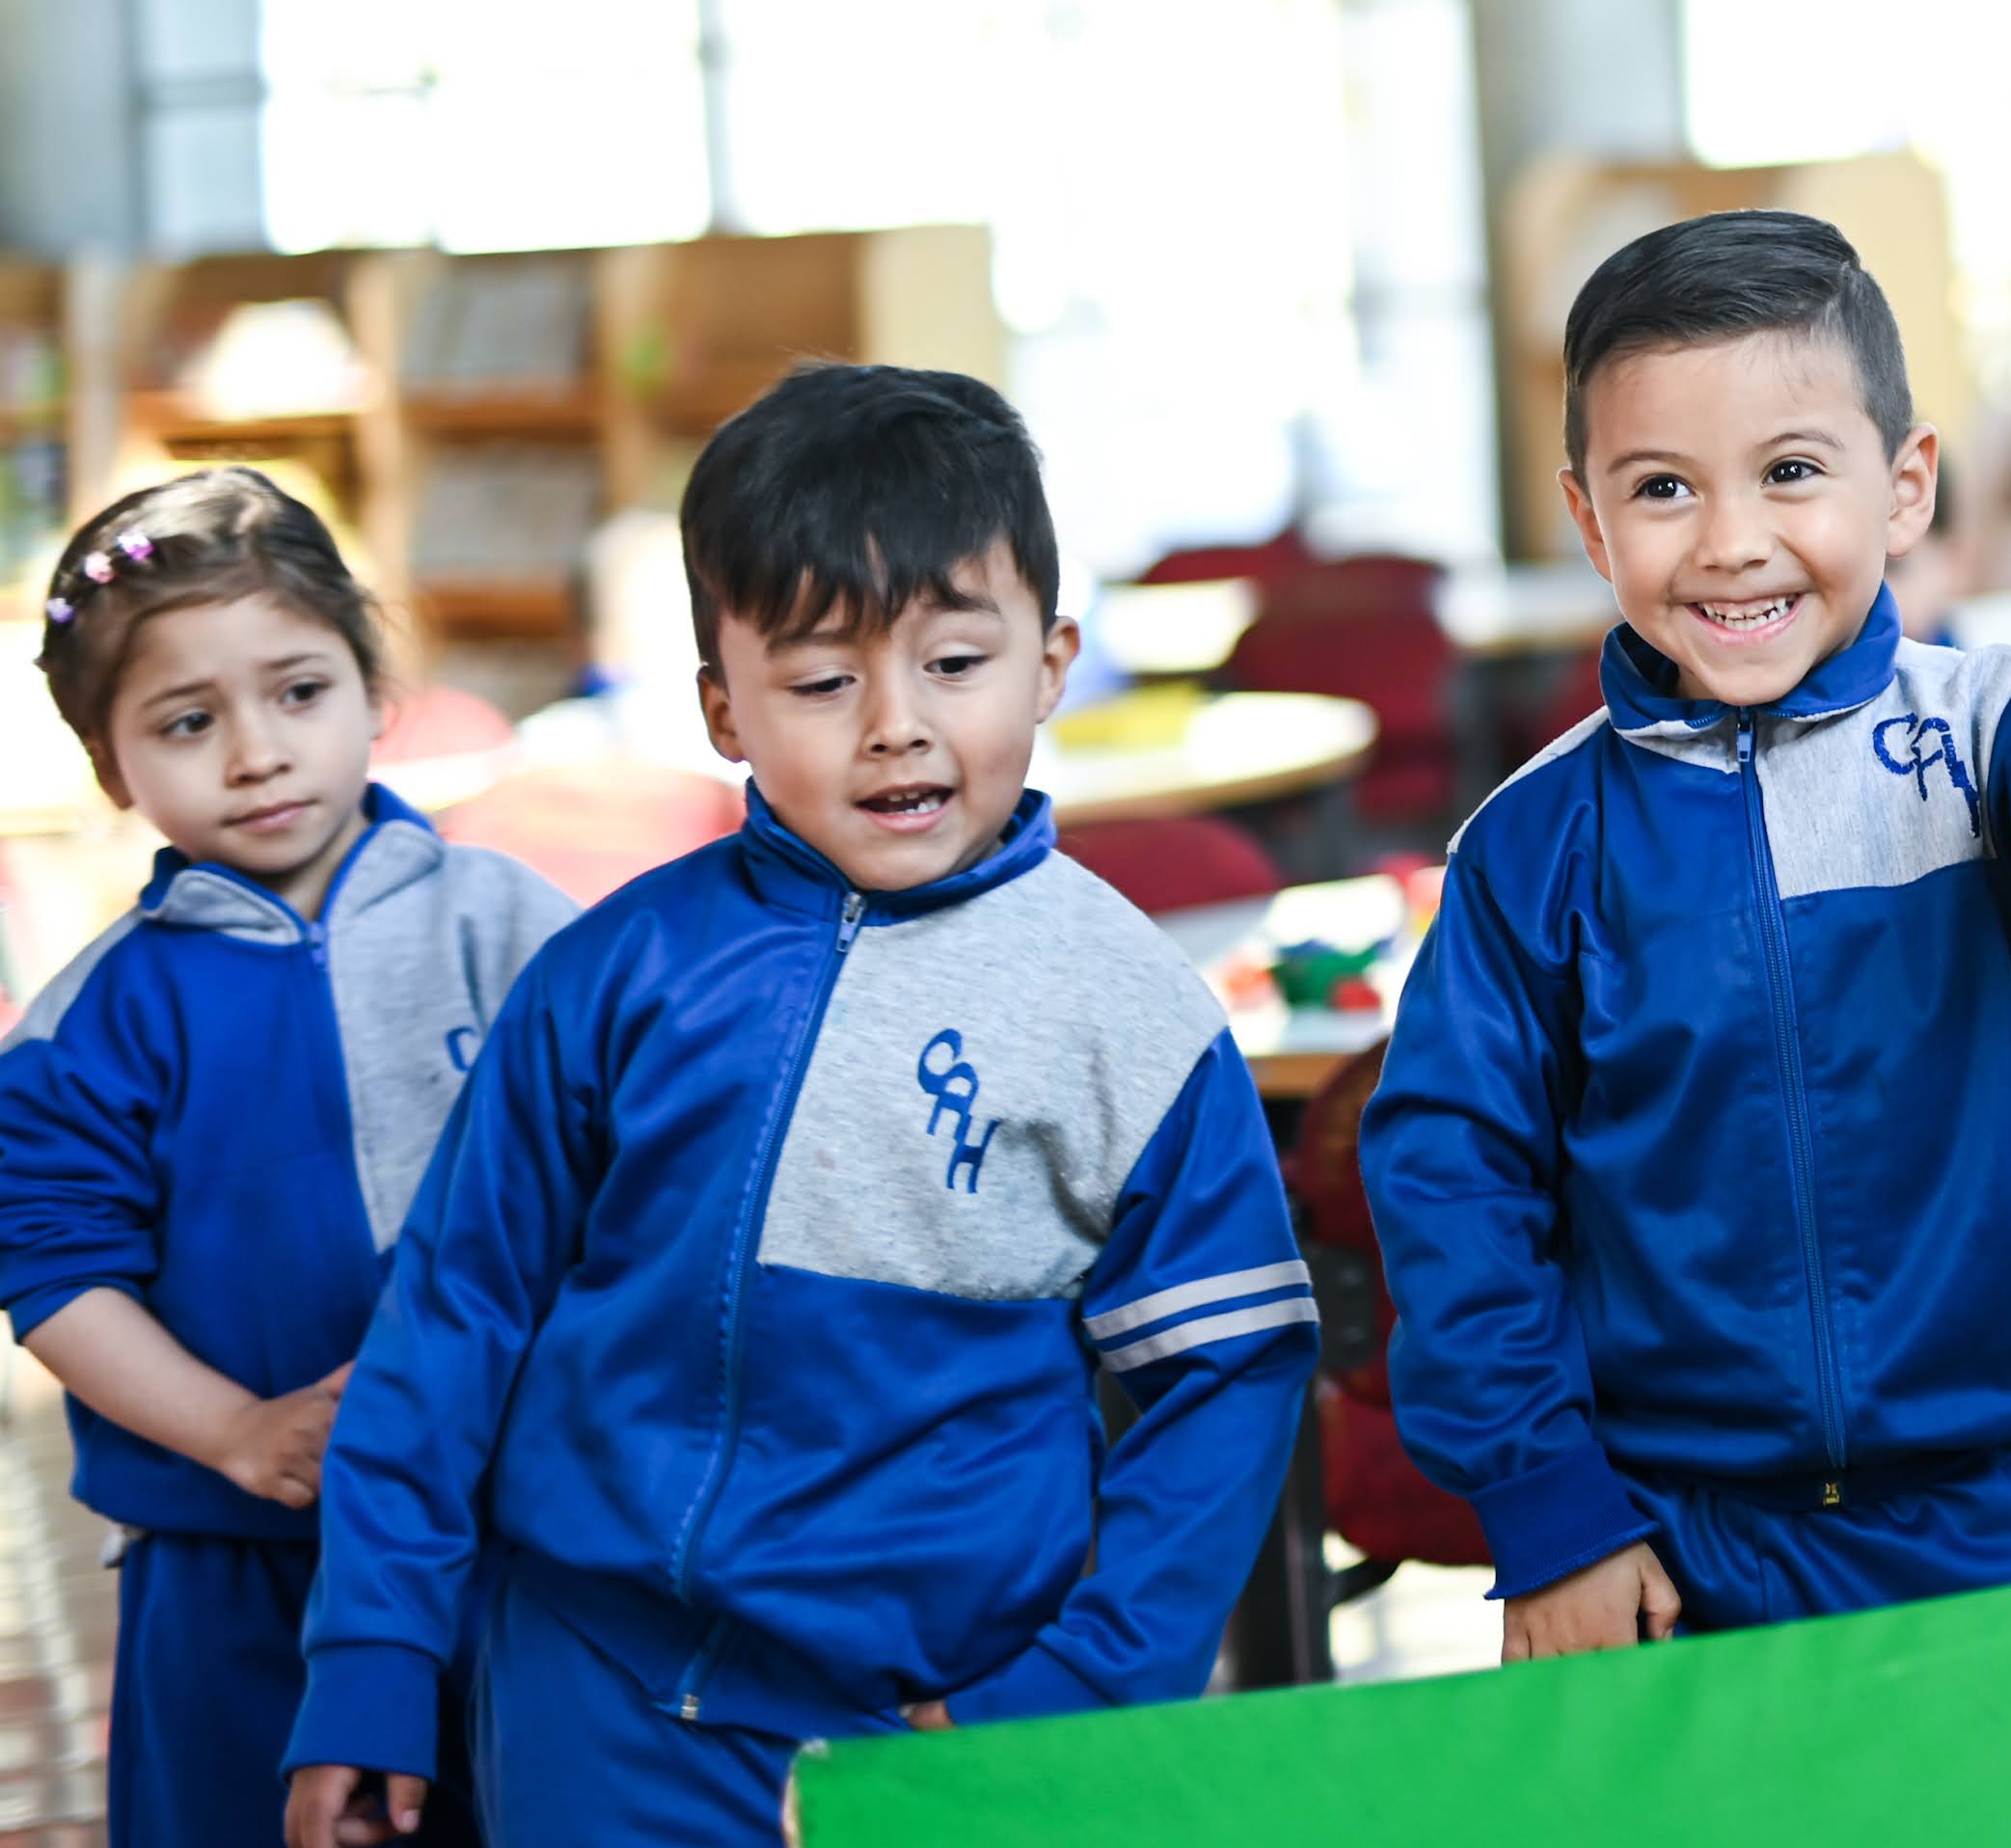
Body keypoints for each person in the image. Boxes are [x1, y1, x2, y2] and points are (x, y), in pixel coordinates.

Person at [280, 367, 1317, 1848]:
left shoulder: (1131, 1013)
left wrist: (1075, 1687)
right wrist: (374, 1655)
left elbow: (1229, 1381)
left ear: (1051, 661)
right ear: (723, 706)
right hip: (593, 1693)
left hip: (936, 1720)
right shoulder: (610, 973)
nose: (895, 727)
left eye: (956, 661)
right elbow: (452, 1319)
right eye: (824, 682)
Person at [1363, 210, 2011, 1653]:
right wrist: (1548, 1503)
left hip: (1990, 1507)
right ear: (1586, 519)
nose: (1730, 541)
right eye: (1661, 488)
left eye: (1787, 472)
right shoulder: (1530, 845)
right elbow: (1451, 1189)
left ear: (1904, 490)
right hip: (1653, 1542)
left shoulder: (1993, 730)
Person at [0, 473, 569, 1848]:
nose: (256, 752)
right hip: (229, 1564)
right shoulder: (96, 1017)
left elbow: (632, 1178)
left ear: (376, 688)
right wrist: (233, 1432)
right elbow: (54, 1270)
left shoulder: (517, 928)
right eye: (189, 721)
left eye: (298, 690)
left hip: (510, 1533)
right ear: (109, 762)